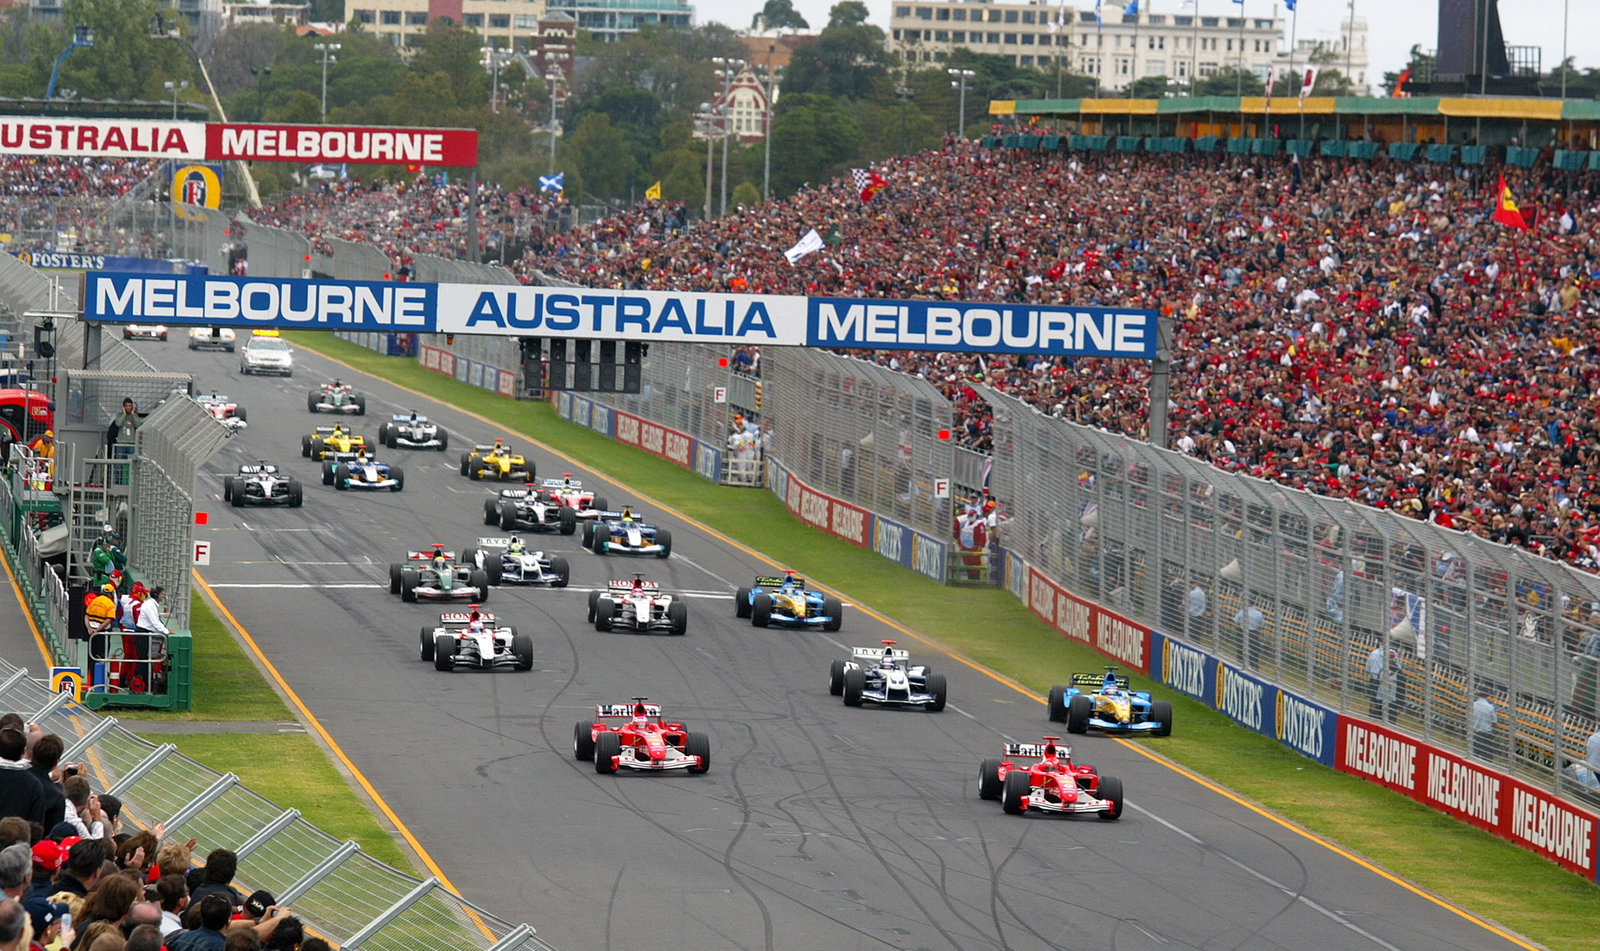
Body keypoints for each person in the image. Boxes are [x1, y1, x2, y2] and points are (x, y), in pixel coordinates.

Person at [1470, 689, 1498, 760]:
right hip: (1485, 734)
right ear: (1487, 696)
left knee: (1474, 756)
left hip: (1474, 732)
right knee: (1487, 758)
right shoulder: (1490, 707)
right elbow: (1495, 722)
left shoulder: (1473, 705)